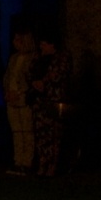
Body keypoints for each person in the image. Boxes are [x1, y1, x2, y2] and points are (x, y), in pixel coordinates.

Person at [29, 30, 70, 178]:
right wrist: (34, 82)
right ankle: (42, 162)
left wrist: (44, 82)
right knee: (40, 134)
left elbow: (57, 74)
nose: (41, 47)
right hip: (39, 100)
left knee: (53, 134)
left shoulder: (62, 57)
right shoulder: (38, 58)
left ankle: (53, 164)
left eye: (44, 44)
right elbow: (30, 72)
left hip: (53, 100)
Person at [3, 30, 36, 175]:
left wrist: (20, 92)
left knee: (27, 131)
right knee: (16, 131)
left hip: (23, 98)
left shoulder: (32, 58)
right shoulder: (13, 58)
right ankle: (18, 161)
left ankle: (27, 161)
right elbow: (7, 76)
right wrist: (7, 92)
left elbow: (30, 78)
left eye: (18, 40)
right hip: (11, 97)